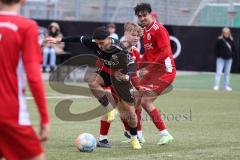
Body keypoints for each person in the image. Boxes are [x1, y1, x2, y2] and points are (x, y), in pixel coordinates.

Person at [45, 26, 142, 149]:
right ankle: (109, 107)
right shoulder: (94, 42)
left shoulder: (119, 48)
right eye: (97, 43)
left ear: (109, 38)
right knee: (92, 82)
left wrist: (128, 76)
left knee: (130, 113)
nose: (99, 46)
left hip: (120, 77)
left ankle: (134, 138)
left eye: (102, 43)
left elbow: (132, 64)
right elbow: (77, 38)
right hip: (107, 73)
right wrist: (60, 40)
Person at [0, 0, 50, 159]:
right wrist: (44, 118)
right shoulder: (26, 26)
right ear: (23, 1)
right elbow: (34, 78)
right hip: (8, 112)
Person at [97, 22, 145, 148]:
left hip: (124, 85)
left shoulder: (135, 52)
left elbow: (133, 72)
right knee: (110, 109)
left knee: (128, 111)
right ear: (125, 34)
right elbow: (102, 64)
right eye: (133, 35)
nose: (136, 38)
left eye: (138, 36)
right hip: (110, 80)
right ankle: (103, 139)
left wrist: (138, 87)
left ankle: (133, 135)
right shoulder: (115, 46)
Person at [134, 3, 175, 145]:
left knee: (146, 101)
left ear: (151, 14)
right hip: (153, 70)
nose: (142, 18)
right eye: (139, 16)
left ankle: (165, 134)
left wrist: (148, 69)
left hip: (165, 71)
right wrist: (137, 67)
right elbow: (148, 54)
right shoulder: (145, 31)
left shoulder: (159, 30)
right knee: (137, 98)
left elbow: (166, 52)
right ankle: (138, 135)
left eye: (144, 15)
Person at [213, 27, 235, 91]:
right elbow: (215, 49)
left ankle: (226, 86)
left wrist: (231, 56)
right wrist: (219, 55)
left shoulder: (231, 40)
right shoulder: (219, 40)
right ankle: (216, 85)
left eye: (227, 32)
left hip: (229, 59)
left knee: (227, 73)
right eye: (225, 32)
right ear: (223, 33)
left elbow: (234, 49)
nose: (226, 33)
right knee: (218, 72)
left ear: (229, 33)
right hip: (220, 59)